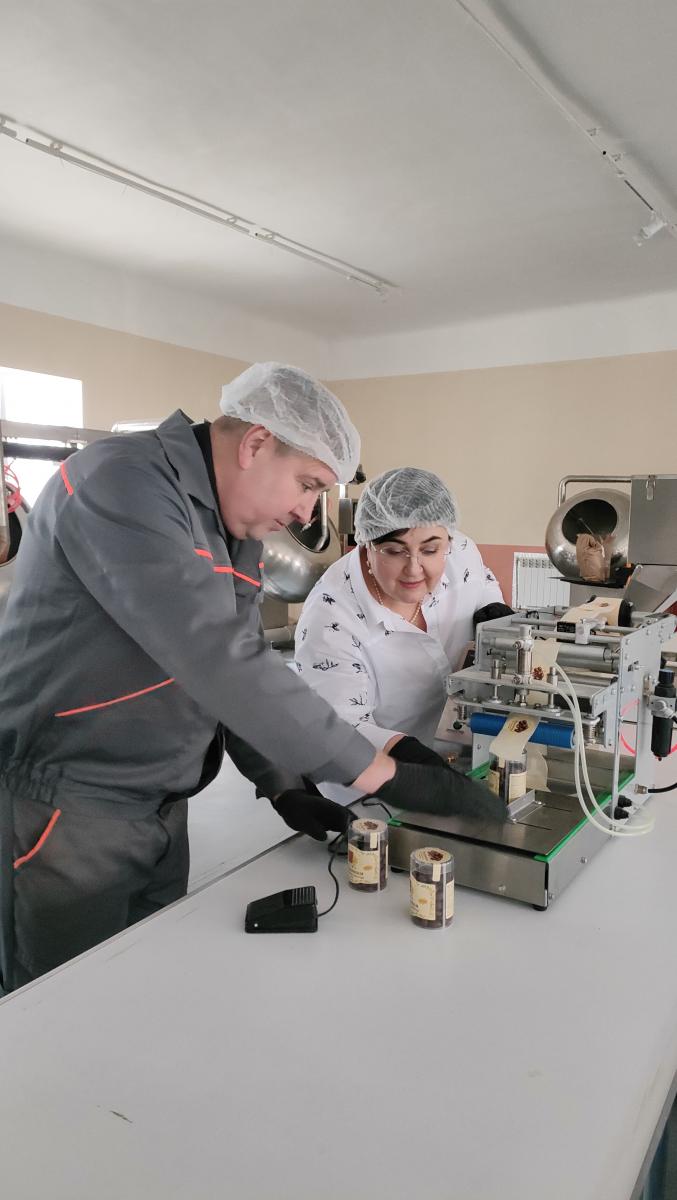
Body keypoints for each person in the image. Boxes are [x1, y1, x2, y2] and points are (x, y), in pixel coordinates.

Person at [0, 365, 496, 991]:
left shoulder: (229, 528)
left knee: (142, 988)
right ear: (256, 443)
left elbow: (240, 663)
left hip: (161, 804)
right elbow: (215, 656)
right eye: (308, 485)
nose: (306, 511)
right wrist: (381, 773)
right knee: (60, 1004)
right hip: (68, 808)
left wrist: (282, 783)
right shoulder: (119, 483)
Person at [294, 466, 512, 802]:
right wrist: (414, 759)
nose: (414, 568)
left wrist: (492, 609)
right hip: (374, 784)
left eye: (430, 550)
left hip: (462, 755)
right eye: (395, 551)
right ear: (366, 545)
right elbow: (341, 727)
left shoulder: (461, 554)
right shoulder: (331, 618)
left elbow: (482, 584)